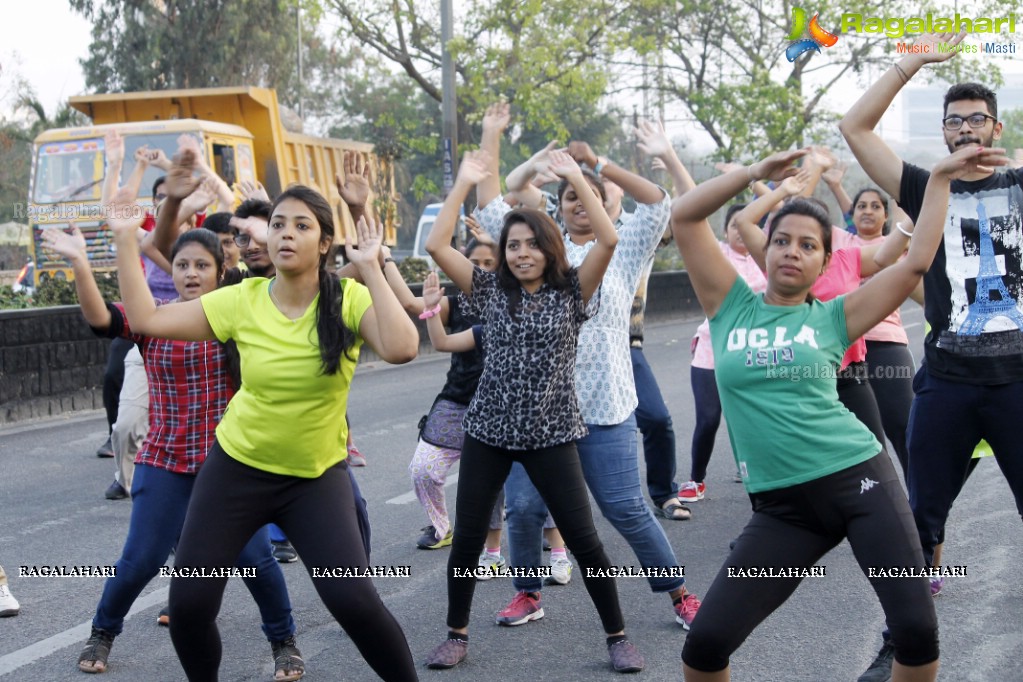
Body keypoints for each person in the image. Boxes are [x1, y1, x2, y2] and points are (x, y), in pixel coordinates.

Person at [673, 144, 1006, 681]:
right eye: (781, 240)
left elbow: (916, 260)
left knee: (916, 633)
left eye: (808, 245)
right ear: (766, 248)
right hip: (784, 509)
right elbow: (685, 215)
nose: (791, 251)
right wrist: (756, 174)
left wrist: (939, 178)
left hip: (859, 482)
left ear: (825, 263)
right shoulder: (729, 304)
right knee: (706, 646)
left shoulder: (835, 317)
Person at [108, 149, 420, 680]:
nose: (285, 234)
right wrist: (122, 236)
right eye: (278, 224)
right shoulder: (243, 299)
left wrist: (371, 265)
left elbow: (402, 347)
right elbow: (144, 317)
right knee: (188, 608)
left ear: (324, 243)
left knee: (355, 603)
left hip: (314, 477)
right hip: (236, 470)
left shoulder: (344, 298)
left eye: (301, 225)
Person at [840, 33, 1023, 681]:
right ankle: (903, 639)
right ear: (942, 133)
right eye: (953, 121)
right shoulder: (923, 188)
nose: (966, 128)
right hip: (946, 379)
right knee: (919, 515)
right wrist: (906, 64)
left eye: (977, 118)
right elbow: (853, 126)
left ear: (995, 126)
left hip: (1016, 383)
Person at [44, 223, 303, 680]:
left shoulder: (240, 317)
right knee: (141, 559)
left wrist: (261, 230)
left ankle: (284, 642)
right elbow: (102, 318)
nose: (190, 273)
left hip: (230, 467)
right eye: (182, 265)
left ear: (220, 271)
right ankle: (102, 632)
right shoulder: (154, 319)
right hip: (165, 459)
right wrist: (81, 263)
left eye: (202, 265)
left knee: (256, 560)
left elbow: (284, 280)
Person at [423, 149, 645, 674]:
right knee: (471, 536)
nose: (521, 253)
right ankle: (456, 633)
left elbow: (609, 239)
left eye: (531, 245)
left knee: (586, 540)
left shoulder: (573, 292)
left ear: (549, 249)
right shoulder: (488, 291)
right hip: (488, 431)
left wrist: (573, 176)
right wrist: (463, 184)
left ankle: (617, 636)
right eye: (512, 245)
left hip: (551, 433)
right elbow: (436, 243)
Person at [484, 133, 699, 627]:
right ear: (558, 208)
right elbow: (498, 203)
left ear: (605, 204)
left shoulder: (624, 249)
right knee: (521, 509)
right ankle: (528, 594)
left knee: (626, 508)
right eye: (571, 196)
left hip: (606, 407)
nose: (581, 202)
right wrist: (525, 153)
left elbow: (659, 201)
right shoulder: (538, 253)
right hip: (537, 414)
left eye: (591, 196)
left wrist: (591, 167)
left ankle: (680, 595)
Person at [684, 202, 767, 499]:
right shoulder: (718, 255)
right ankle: (696, 480)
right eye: (735, 225)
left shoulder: (768, 259)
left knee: (749, 418)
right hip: (711, 347)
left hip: (752, 352)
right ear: (724, 231)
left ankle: (759, 478)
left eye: (748, 226)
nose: (741, 232)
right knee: (708, 418)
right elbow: (693, 214)